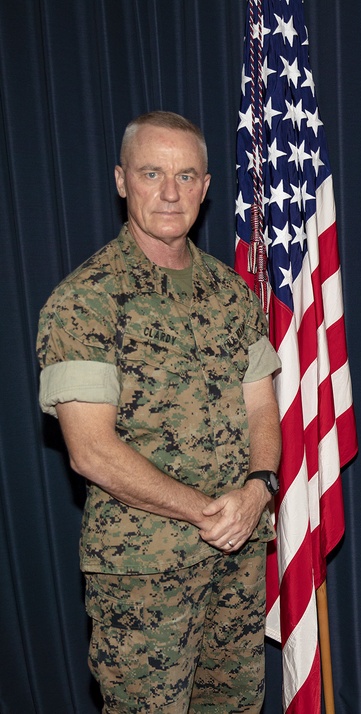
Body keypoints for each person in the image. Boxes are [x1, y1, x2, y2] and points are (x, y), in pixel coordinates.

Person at [36, 111, 281, 712]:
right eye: (152, 173)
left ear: (206, 185)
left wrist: (257, 490)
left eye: (186, 175)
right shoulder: (82, 303)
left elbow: (262, 412)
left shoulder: (233, 295)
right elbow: (90, 451)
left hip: (236, 561)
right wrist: (207, 512)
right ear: (122, 181)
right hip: (144, 580)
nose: (170, 193)